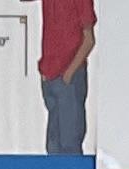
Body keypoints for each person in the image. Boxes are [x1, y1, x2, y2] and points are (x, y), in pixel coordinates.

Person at [40, 0, 90, 155]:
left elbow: (89, 39)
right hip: (51, 75)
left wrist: (69, 73)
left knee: (69, 144)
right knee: (53, 144)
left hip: (69, 78)